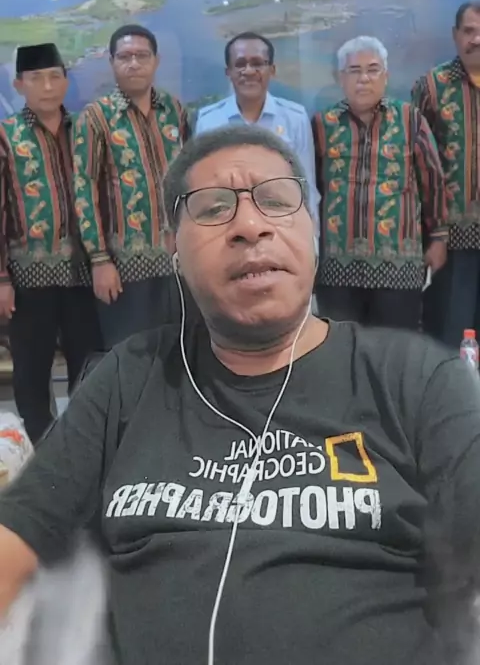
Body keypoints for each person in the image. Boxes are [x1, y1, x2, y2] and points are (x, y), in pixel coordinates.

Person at [0, 125, 480, 665]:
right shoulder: (129, 377)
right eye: (212, 209)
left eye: (275, 201)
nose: (250, 226)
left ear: (312, 228)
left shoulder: (415, 378)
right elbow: (16, 538)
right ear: (172, 246)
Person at [0, 43, 102, 444]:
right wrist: (2, 279)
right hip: (28, 278)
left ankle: (82, 449)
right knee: (32, 374)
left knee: (87, 369)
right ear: (18, 85)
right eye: (36, 78)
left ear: (66, 81)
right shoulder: (7, 136)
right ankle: (44, 454)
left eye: (55, 77)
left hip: (84, 275)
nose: (47, 86)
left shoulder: (85, 132)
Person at [312, 36, 447, 328]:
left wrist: (438, 238)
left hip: (399, 268)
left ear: (386, 76)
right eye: (354, 70)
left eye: (372, 70)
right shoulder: (323, 125)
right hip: (337, 270)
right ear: (340, 78)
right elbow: (312, 190)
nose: (364, 79)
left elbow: (432, 181)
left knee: (395, 349)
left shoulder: (410, 120)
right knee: (341, 347)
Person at [73, 24, 190, 348]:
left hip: (178, 262)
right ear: (112, 62)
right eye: (125, 57)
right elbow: (84, 190)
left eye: (142, 55)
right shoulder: (96, 118)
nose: (134, 63)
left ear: (156, 60)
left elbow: (190, 178)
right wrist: (100, 260)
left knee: (181, 352)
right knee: (132, 358)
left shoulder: (175, 110)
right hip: (124, 268)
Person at [195, 31, 320, 241]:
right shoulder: (209, 121)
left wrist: (310, 242)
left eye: (257, 63)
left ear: (272, 70)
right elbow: (204, 189)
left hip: (281, 228)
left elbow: (306, 186)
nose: (248, 71)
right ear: (228, 72)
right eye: (240, 64)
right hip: (228, 229)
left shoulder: (294, 118)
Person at [412, 0, 480, 346]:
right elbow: (414, 166)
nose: (477, 39)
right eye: (469, 31)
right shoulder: (432, 87)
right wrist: (431, 236)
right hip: (450, 240)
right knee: (451, 338)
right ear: (455, 35)